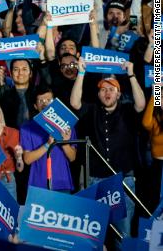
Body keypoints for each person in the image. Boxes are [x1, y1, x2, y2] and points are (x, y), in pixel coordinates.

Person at [70, 58, 146, 239]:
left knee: (123, 233)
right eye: (103, 89)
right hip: (95, 179)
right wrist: (81, 72)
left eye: (112, 89)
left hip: (123, 180)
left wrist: (131, 74)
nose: (107, 92)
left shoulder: (127, 111)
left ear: (119, 94)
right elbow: (74, 103)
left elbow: (141, 104)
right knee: (93, 234)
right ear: (98, 94)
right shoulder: (91, 110)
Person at [20, 87, 77, 192]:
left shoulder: (66, 125)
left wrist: (63, 142)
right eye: (40, 101)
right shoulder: (26, 128)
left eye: (49, 100)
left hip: (62, 183)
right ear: (35, 106)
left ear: (55, 103)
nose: (45, 103)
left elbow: (72, 157)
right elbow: (27, 159)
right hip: (38, 185)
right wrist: (48, 144)